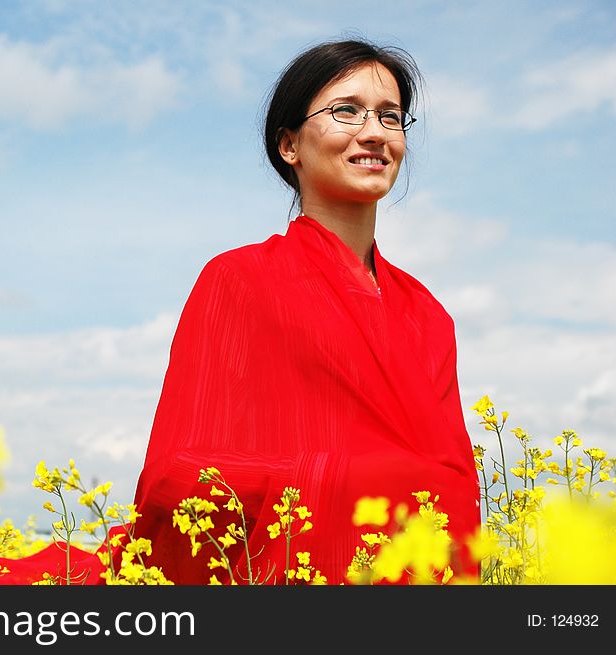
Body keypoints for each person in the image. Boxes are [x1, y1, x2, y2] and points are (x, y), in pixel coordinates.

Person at [128, 38, 481, 585]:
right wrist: (354, 480)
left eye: (390, 117)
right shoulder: (239, 279)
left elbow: (457, 488)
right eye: (346, 110)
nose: (374, 133)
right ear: (290, 145)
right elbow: (174, 479)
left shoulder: (428, 316)